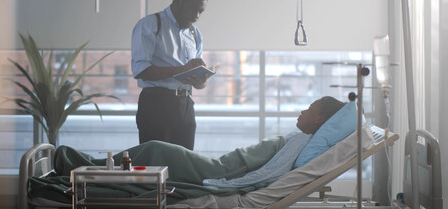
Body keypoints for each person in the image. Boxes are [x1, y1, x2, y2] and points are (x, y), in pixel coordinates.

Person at [55, 96, 346, 187]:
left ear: (320, 120)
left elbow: (268, 174)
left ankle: (77, 164)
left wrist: (229, 185)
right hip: (222, 164)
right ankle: (82, 165)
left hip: (220, 170)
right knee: (154, 149)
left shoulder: (301, 143)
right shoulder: (301, 138)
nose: (301, 111)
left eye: (308, 109)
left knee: (155, 149)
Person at [131, 0, 209, 150]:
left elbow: (195, 77)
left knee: (184, 166)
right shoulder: (150, 25)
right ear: (178, 1)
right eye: (193, 9)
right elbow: (140, 70)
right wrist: (182, 69)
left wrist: (200, 81)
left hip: (186, 105)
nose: (196, 16)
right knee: (156, 165)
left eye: (200, 12)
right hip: (155, 104)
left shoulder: (195, 35)